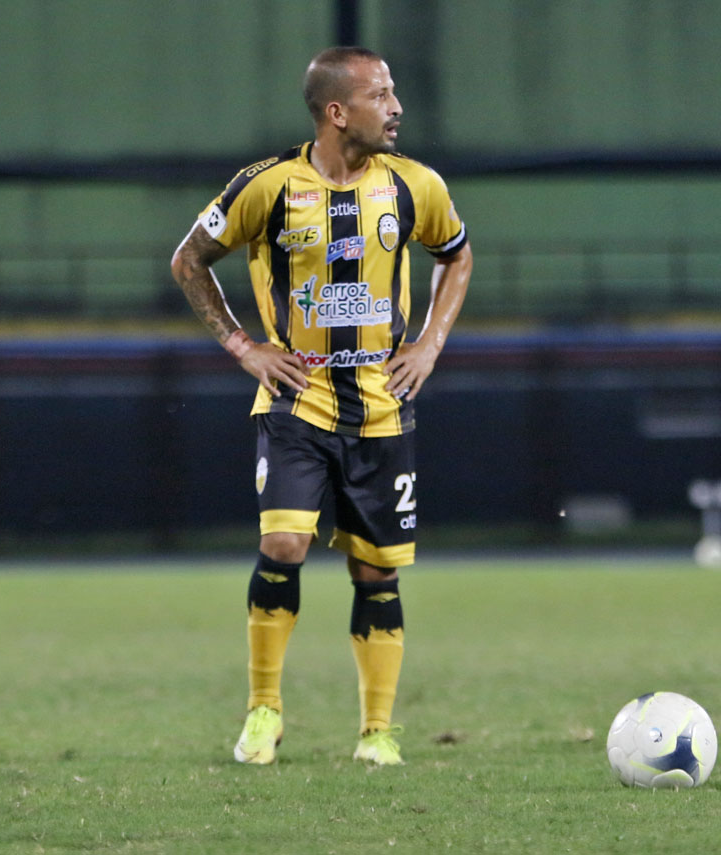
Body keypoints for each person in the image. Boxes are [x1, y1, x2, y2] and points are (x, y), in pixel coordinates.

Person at [170, 46, 472, 766]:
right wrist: (244, 348)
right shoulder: (267, 186)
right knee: (283, 544)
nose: (396, 106)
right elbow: (188, 260)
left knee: (376, 571)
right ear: (337, 112)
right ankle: (263, 711)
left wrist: (428, 346)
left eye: (394, 92)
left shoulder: (414, 185)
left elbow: (456, 254)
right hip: (295, 404)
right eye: (381, 94)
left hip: (380, 407)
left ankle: (377, 731)